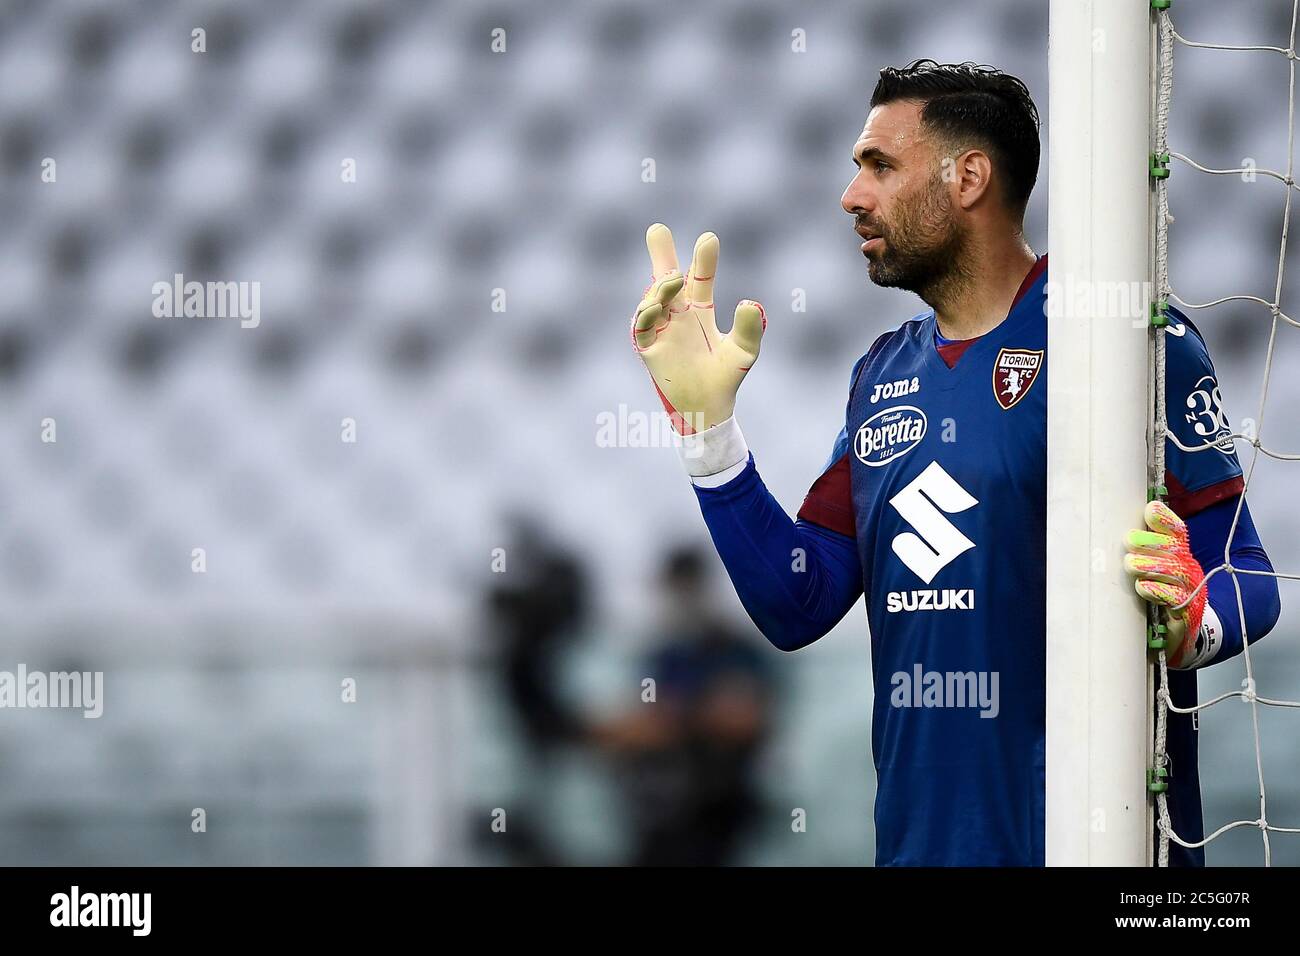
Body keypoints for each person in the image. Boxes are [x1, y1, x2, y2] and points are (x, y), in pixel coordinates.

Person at [626, 59, 1281, 866]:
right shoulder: (881, 375)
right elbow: (796, 602)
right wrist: (709, 432)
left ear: (969, 177)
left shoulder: (1124, 338)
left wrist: (1192, 624)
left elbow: (1245, 571)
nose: (851, 195)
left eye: (879, 165)